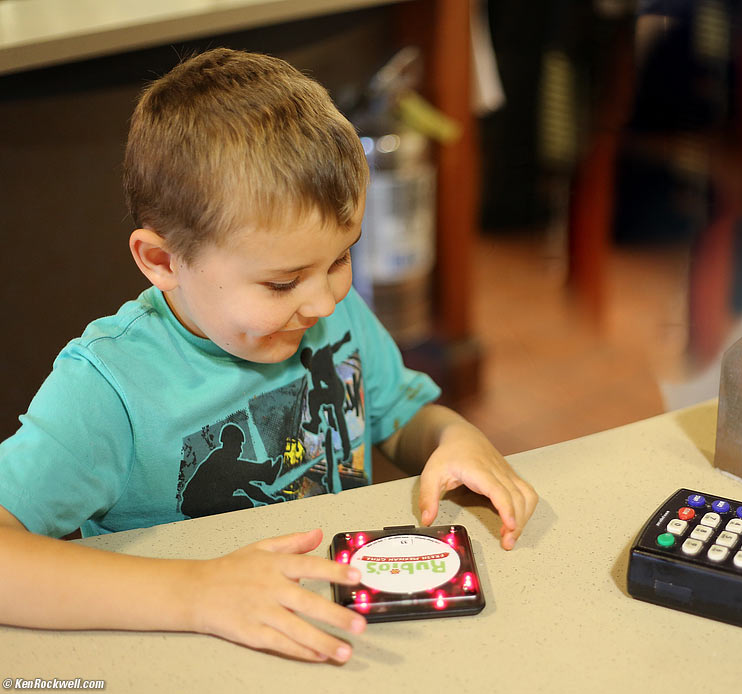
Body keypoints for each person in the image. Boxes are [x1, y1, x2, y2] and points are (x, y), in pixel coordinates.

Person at [0, 48, 537, 664]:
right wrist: (194, 593)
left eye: (340, 259)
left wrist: (456, 438)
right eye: (283, 283)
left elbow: (401, 415)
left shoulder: (336, 313)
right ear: (162, 261)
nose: (325, 303)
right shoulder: (108, 387)